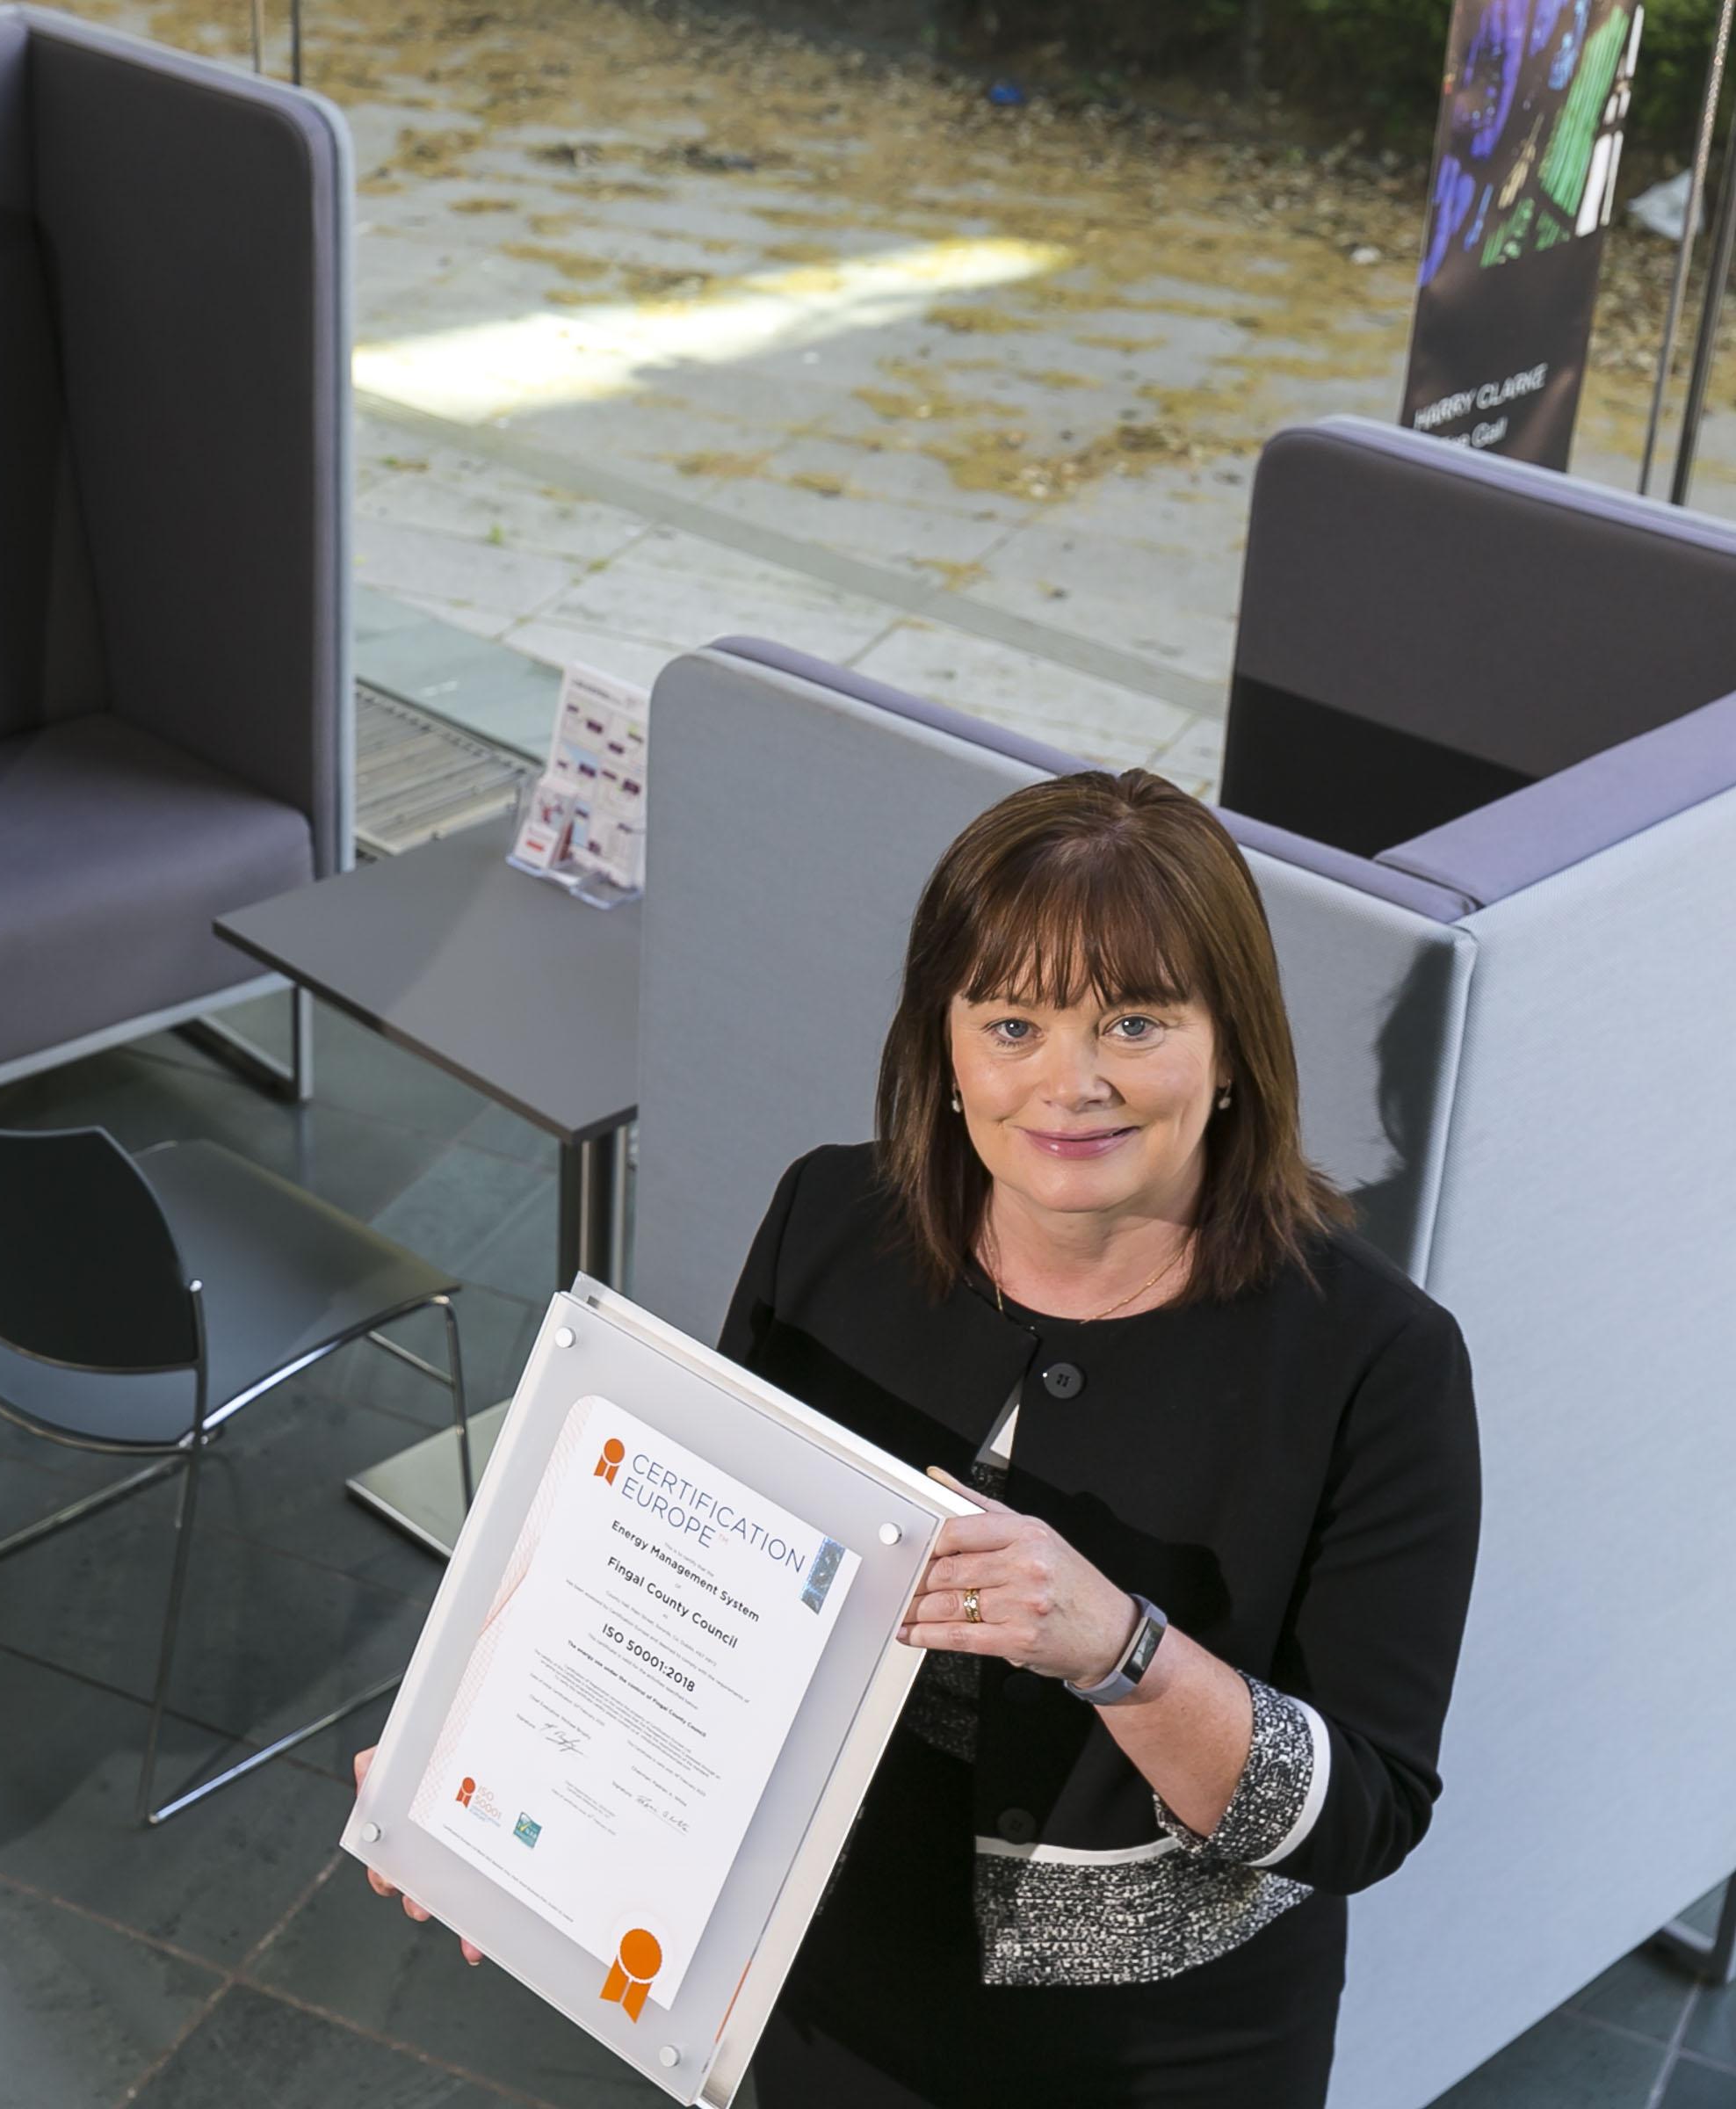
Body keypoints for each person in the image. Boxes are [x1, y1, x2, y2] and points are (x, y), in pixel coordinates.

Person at [363, 769, 1481, 2106]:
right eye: (1011, 1022)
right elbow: (688, 1579)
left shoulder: (1379, 1363)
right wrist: (480, 1767)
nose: (1068, 1085)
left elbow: (1361, 1818)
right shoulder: (831, 1221)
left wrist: (1119, 1651)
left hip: (1163, 2058)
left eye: (1134, 1020)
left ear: (1232, 1046)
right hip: (826, 1984)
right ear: (943, 1050)